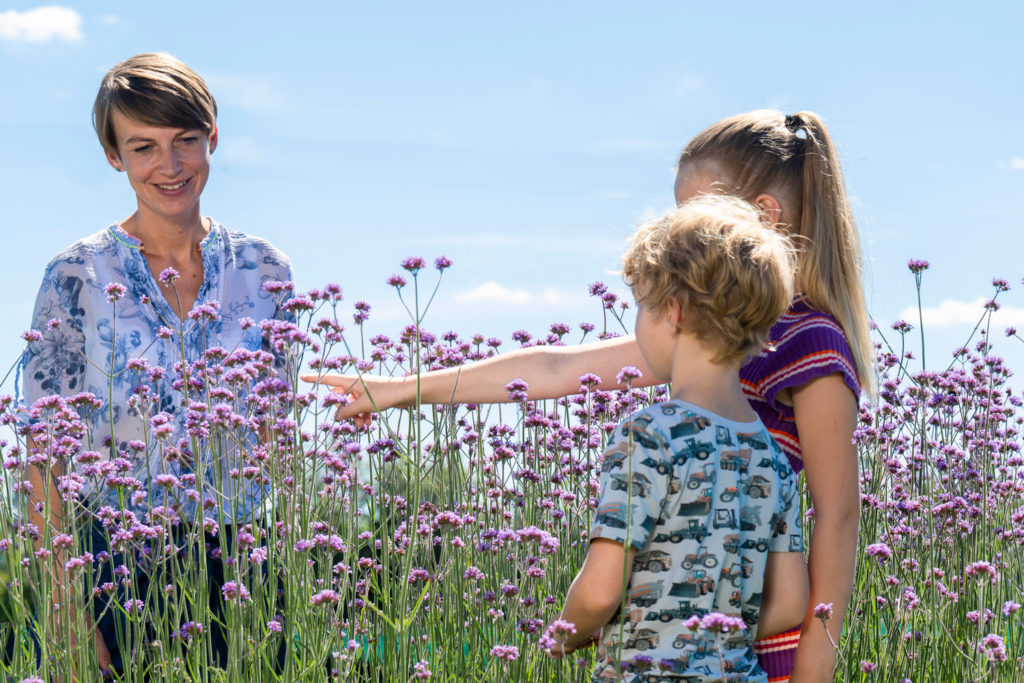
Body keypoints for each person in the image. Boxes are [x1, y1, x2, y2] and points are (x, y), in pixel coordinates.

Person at [307, 110, 869, 681]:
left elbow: (840, 515)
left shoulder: (806, 345)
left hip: (771, 658)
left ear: (762, 218)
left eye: (693, 214)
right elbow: (553, 367)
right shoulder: (714, 337)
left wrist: (813, 671)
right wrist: (403, 390)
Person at [18, 52, 293, 676]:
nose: (169, 167)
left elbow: (277, 435)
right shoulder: (75, 276)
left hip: (244, 566)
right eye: (143, 147)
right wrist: (66, 611)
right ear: (115, 157)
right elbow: (42, 456)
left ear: (212, 139)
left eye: (185, 141)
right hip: (108, 566)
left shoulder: (268, 270)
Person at [543, 195, 806, 682]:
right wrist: (713, 637)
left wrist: (565, 636)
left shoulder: (649, 435)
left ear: (675, 312)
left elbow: (601, 591)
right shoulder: (772, 457)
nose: (638, 323)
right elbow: (790, 604)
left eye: (641, 305)